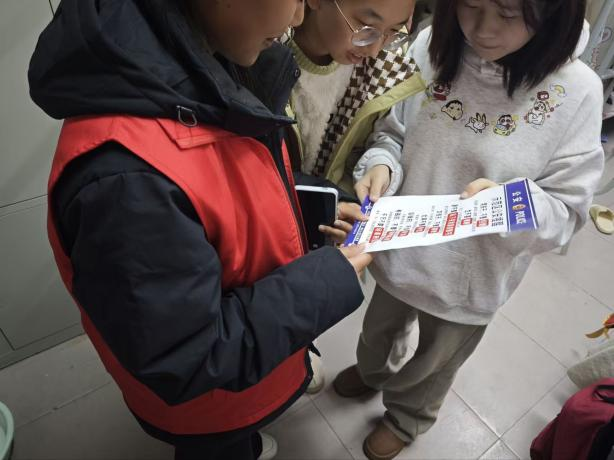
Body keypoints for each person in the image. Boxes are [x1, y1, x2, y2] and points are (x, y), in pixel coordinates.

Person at [28, 0, 372, 459]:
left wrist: (319, 204)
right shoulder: (125, 181)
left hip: (243, 371)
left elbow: (229, 184)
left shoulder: (210, 66)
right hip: (209, 405)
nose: (296, 19)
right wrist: (326, 280)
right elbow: (190, 354)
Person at [333, 0, 605, 459]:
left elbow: (567, 210)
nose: (482, 29)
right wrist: (381, 163)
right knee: (377, 330)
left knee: (435, 362)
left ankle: (405, 417)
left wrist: (505, 207)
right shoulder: (432, 46)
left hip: (471, 275)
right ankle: (373, 372)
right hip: (398, 248)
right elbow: (392, 132)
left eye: (508, 14)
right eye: (470, 5)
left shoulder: (578, 91)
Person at [286, 0, 424, 393]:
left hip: (323, 225)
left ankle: (298, 348)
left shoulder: (378, 70)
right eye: (366, 25)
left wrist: (379, 164)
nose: (376, 48)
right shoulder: (260, 49)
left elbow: (382, 138)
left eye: (394, 32)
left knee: (304, 298)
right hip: (270, 217)